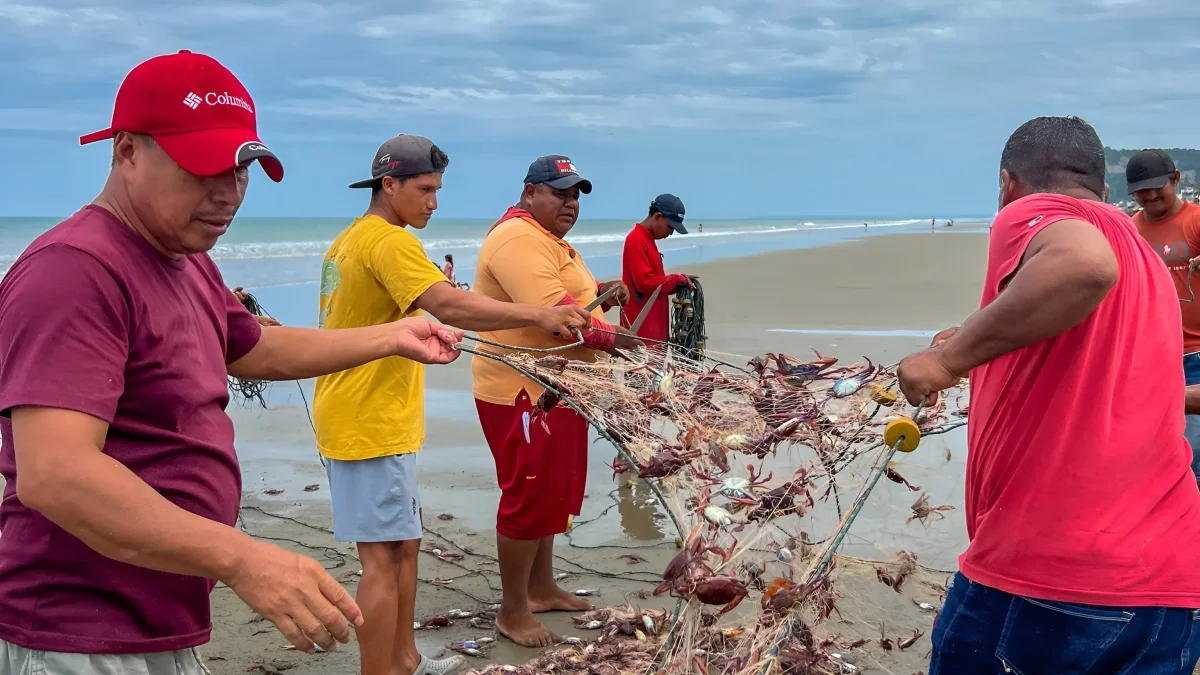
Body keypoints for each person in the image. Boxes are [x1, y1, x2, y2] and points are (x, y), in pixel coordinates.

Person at [0, 50, 466, 675]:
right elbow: (56, 474)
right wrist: (244, 560)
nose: (228, 194)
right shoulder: (76, 270)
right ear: (127, 151)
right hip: (74, 631)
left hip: (160, 618)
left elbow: (256, 349)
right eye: (202, 169)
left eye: (242, 169)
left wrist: (392, 336)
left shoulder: (184, 256)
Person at [897, 116, 1200, 673]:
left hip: (1052, 578)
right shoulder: (1144, 257)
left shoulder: (1037, 211)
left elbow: (1080, 267)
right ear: (1107, 192)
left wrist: (943, 361)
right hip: (1167, 591)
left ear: (1007, 184)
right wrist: (969, 335)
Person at [312, 137, 591, 675]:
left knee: (405, 546)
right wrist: (536, 314)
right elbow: (444, 301)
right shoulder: (390, 242)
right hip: (368, 415)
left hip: (364, 410)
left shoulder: (351, 239)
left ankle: (404, 656)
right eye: (424, 189)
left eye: (437, 190)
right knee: (381, 559)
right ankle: (383, 668)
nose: (434, 203)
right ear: (388, 185)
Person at [471, 155, 640, 647]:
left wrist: (601, 291)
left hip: (560, 388)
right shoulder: (518, 239)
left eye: (576, 194)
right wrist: (626, 343)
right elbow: (564, 317)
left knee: (553, 493)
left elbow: (572, 299)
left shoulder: (551, 241)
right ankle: (513, 610)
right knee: (528, 494)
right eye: (559, 192)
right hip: (520, 392)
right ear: (529, 193)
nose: (570, 202)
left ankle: (541, 588)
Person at [1128, 149, 1200, 480]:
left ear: (1176, 179)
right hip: (1153, 357)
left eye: (1159, 185)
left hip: (1195, 355)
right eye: (1142, 189)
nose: (1151, 195)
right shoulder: (1130, 230)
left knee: (1194, 453)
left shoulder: (1195, 220)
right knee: (1156, 450)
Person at [620, 194, 694, 342]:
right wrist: (676, 279)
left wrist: (677, 284)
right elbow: (644, 283)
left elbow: (655, 284)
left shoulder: (648, 240)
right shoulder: (636, 239)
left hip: (655, 332)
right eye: (670, 227)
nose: (671, 233)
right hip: (642, 333)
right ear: (658, 216)